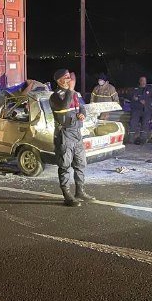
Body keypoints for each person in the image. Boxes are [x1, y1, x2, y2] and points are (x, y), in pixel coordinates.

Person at [49, 68, 93, 206]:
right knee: (65, 165)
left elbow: (83, 106)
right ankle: (67, 195)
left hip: (77, 133)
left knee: (80, 164)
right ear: (59, 80)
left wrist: (82, 114)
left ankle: (80, 191)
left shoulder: (75, 93)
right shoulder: (55, 96)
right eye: (66, 77)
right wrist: (71, 90)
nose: (69, 79)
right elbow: (64, 106)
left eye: (69, 77)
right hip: (65, 134)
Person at [128, 76, 152, 144]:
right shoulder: (135, 89)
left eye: (144, 81)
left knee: (145, 124)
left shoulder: (150, 89)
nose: (143, 82)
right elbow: (130, 96)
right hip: (136, 109)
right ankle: (131, 139)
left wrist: (146, 102)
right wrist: (136, 99)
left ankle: (143, 140)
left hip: (146, 110)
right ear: (139, 81)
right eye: (142, 80)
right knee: (133, 123)